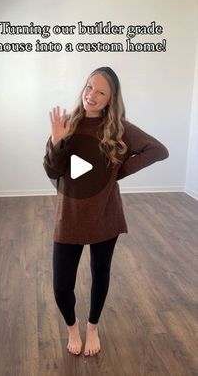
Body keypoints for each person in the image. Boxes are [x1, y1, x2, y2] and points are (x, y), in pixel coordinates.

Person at [43, 67, 169, 357]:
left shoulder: (119, 128)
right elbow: (52, 169)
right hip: (70, 217)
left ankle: (92, 327)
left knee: (101, 274)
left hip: (105, 216)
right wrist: (56, 141)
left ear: (111, 99)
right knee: (62, 286)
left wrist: (116, 173)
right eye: (89, 87)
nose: (92, 95)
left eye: (101, 92)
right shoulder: (68, 125)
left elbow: (158, 150)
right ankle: (72, 327)